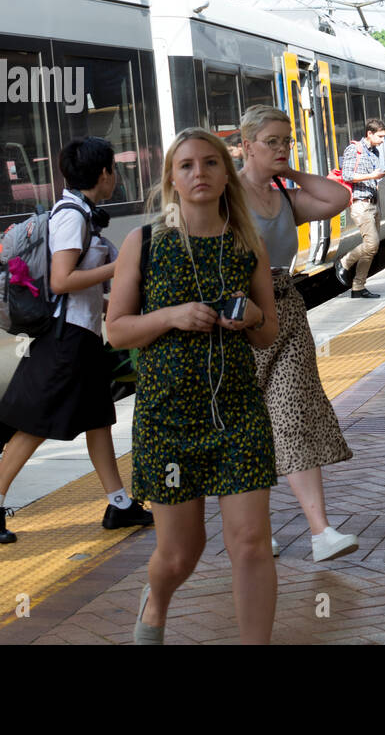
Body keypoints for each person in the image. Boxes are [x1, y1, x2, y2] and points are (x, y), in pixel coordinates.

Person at [106, 128, 280, 645]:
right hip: (169, 420)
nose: (199, 172)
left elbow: (269, 332)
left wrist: (252, 317)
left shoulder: (247, 244)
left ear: (227, 175)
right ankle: (156, 600)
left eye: (210, 162)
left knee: (251, 543)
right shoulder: (145, 243)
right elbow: (116, 331)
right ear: (172, 180)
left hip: (238, 413)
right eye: (186, 165)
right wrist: (172, 316)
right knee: (181, 553)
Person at [0, 138, 153, 544]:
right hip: (65, 340)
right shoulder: (72, 217)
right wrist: (120, 267)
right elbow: (62, 280)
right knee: (37, 423)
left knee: (98, 420)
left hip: (81, 336)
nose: (115, 177)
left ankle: (119, 504)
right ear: (103, 174)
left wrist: (111, 306)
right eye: (114, 170)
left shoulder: (80, 213)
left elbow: (76, 288)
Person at [238, 108, 359, 562]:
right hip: (242, 318)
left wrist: (287, 171)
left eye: (286, 141)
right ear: (246, 145)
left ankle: (321, 531)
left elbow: (339, 197)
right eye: (271, 141)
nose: (282, 148)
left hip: (286, 310)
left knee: (293, 415)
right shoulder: (227, 198)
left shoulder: (285, 198)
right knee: (248, 425)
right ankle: (256, 528)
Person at [334, 119, 385, 299]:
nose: (382, 140)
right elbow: (347, 175)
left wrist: (377, 178)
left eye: (384, 136)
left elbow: (372, 177)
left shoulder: (375, 152)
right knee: (371, 244)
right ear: (369, 133)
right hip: (360, 204)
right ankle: (344, 262)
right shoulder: (354, 149)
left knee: (371, 248)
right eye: (380, 136)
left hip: (373, 202)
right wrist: (371, 175)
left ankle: (358, 287)